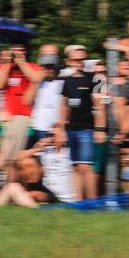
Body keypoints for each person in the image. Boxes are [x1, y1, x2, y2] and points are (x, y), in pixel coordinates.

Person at [55, 45, 103, 200]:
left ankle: (92, 202)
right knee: (75, 166)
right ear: (69, 61)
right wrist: (61, 129)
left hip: (87, 128)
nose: (80, 62)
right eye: (76, 60)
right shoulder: (66, 81)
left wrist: (100, 129)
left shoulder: (96, 79)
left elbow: (100, 105)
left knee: (86, 167)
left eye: (83, 59)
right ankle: (78, 203)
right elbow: (63, 106)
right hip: (71, 129)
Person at [0, 41, 43, 167]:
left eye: (21, 50)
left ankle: (6, 177)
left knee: (14, 152)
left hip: (24, 115)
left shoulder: (32, 66)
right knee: (3, 148)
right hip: (7, 116)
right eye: (15, 50)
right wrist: (8, 63)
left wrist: (21, 62)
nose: (18, 53)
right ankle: (0, 176)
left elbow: (36, 78)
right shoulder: (7, 67)